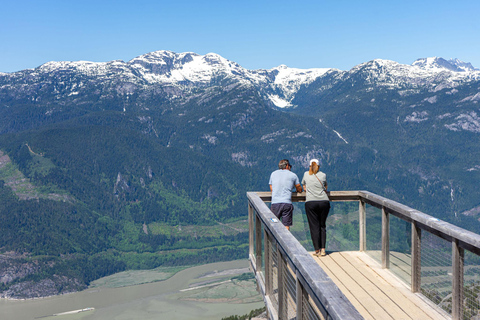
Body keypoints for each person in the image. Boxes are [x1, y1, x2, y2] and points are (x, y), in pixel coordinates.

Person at [302, 159, 330, 256]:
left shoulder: (306, 174)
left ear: (310, 166)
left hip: (311, 202)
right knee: (322, 225)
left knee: (314, 227)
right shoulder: (323, 175)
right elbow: (325, 187)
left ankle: (317, 250)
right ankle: (323, 249)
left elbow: (304, 187)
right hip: (324, 202)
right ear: (319, 166)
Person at [269, 159, 303, 230]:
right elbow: (299, 188)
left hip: (275, 203)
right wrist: (298, 189)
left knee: (274, 224)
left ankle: (274, 240)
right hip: (287, 203)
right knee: (286, 225)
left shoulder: (273, 174)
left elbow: (271, 187)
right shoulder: (293, 175)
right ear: (287, 166)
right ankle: (286, 240)